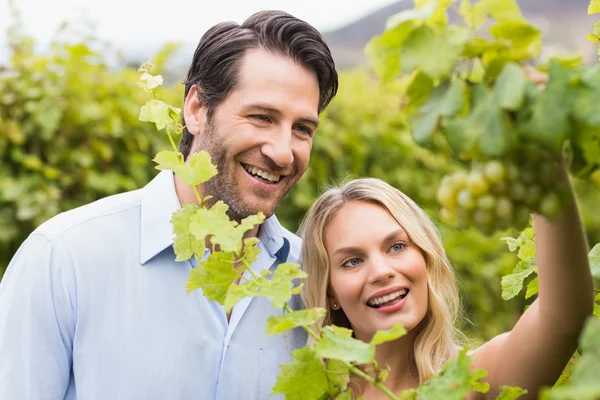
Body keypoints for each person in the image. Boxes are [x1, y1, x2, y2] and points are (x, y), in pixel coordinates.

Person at [0, 10, 338, 399]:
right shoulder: (65, 259)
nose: (282, 152)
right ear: (195, 109)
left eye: (302, 129)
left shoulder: (313, 281)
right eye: (262, 117)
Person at [298, 166, 593, 399]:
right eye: (352, 261)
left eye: (397, 246)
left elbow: (564, 318)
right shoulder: (310, 392)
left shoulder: (474, 380)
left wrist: (544, 166)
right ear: (330, 291)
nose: (380, 271)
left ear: (426, 258)